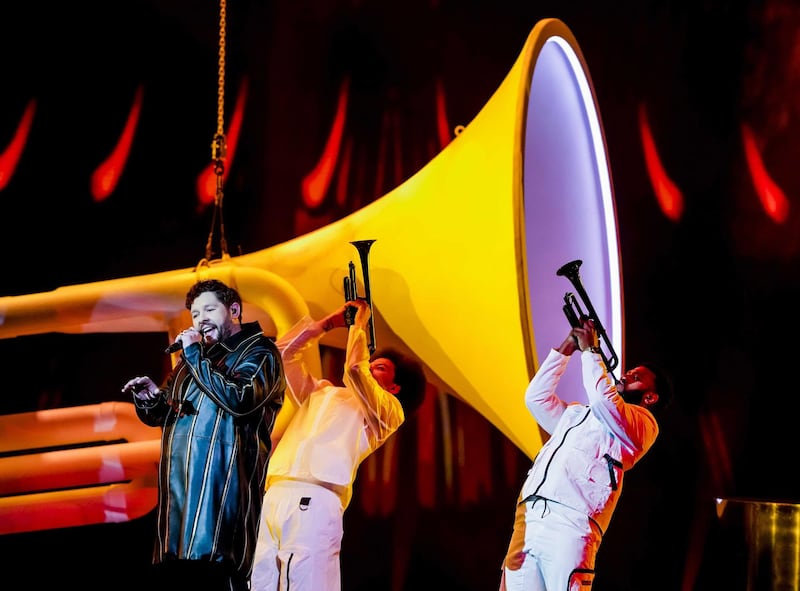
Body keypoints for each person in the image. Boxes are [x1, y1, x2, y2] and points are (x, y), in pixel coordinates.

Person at [250, 298, 427, 591]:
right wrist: (324, 325)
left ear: (394, 388)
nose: (370, 366)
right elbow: (279, 356)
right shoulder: (320, 393)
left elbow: (355, 370)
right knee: (260, 583)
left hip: (317, 499)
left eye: (379, 367)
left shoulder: (387, 413)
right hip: (273, 495)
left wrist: (359, 326)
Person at [122, 279, 286, 591]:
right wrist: (150, 397)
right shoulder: (193, 360)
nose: (201, 320)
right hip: (180, 504)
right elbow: (165, 413)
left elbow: (241, 398)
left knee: (216, 575)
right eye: (195, 314)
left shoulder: (261, 353)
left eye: (210, 309)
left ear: (234, 310)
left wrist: (195, 354)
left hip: (221, 497)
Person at [499, 318, 673, 591]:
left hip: (572, 525)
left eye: (636, 378)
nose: (625, 376)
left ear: (650, 398)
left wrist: (592, 352)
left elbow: (605, 401)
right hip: (529, 518)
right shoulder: (578, 414)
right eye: (628, 372)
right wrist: (567, 347)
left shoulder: (644, 425)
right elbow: (536, 398)